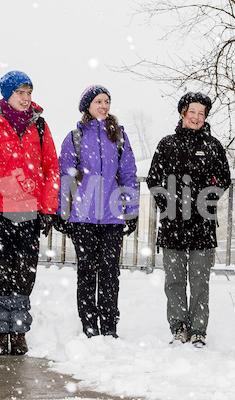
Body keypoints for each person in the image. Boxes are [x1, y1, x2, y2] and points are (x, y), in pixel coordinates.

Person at [0, 70, 60, 355]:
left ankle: (18, 330)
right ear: (7, 94)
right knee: (1, 274)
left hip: (28, 212)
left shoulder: (40, 126)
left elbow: (51, 170)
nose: (25, 98)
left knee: (24, 274)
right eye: (20, 93)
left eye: (29, 93)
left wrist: (48, 209)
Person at [147, 92, 230, 347]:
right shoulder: (167, 144)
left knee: (199, 281)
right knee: (174, 280)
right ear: (183, 113)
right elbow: (153, 180)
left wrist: (206, 200)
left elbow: (224, 178)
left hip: (202, 225)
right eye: (192, 111)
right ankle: (178, 326)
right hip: (172, 225)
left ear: (205, 117)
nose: (196, 117)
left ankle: (198, 330)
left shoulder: (213, 146)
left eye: (201, 113)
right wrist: (168, 204)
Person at [56, 85, 138, 339]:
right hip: (83, 217)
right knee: (87, 271)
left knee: (110, 273)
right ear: (87, 107)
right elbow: (66, 178)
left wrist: (131, 209)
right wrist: (63, 212)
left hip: (112, 217)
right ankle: (89, 325)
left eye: (107, 101)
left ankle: (110, 325)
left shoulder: (120, 137)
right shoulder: (75, 138)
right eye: (98, 101)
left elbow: (128, 174)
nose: (103, 106)